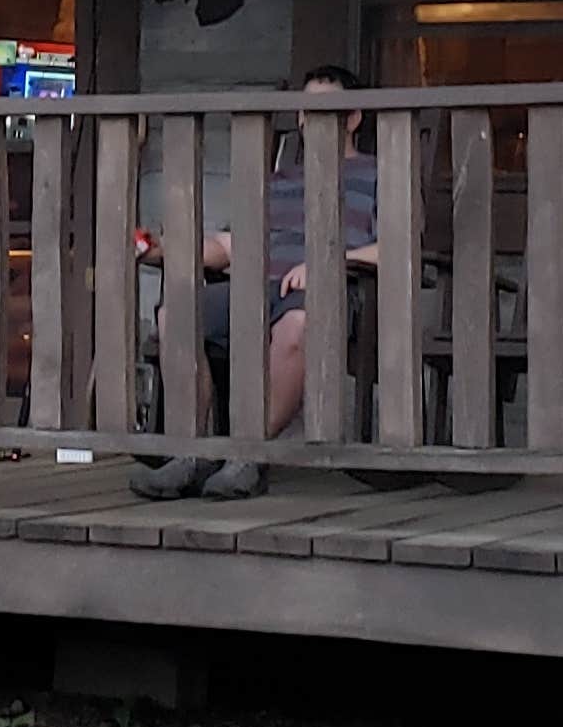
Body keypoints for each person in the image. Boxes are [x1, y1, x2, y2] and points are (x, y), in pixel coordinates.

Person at [132, 64, 379, 501]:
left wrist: (331, 261)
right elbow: (230, 245)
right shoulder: (278, 181)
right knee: (178, 314)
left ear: (354, 117)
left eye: (325, 108)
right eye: (305, 110)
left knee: (299, 325)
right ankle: (189, 452)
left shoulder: (380, 174)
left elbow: (396, 248)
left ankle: (247, 454)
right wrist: (164, 248)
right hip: (256, 288)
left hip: (333, 290)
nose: (311, 118)